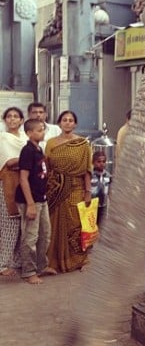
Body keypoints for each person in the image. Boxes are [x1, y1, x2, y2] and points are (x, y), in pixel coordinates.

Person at [45, 110, 92, 273]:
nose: (67, 123)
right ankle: (53, 262)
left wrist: (88, 191)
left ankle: (80, 260)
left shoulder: (82, 144)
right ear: (59, 123)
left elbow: (87, 169)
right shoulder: (51, 143)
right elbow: (47, 167)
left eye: (71, 120)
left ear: (75, 124)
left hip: (76, 188)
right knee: (54, 225)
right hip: (56, 190)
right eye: (64, 120)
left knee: (76, 225)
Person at [14, 118, 56, 284]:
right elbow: (23, 179)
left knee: (45, 234)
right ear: (29, 133)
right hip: (30, 200)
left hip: (41, 198)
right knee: (30, 237)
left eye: (43, 130)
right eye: (39, 130)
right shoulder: (27, 151)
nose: (42, 132)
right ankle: (28, 271)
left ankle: (41, 266)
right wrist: (30, 204)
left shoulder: (38, 150)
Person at [0, 107, 27, 277]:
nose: (12, 119)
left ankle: (16, 261)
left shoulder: (25, 138)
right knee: (8, 224)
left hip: (25, 183)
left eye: (16, 116)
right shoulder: (2, 138)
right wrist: (29, 160)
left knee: (21, 223)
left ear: (22, 120)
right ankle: (2, 263)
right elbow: (9, 162)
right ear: (4, 120)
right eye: (8, 117)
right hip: (7, 182)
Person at [90, 150, 111, 229]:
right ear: (93, 162)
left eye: (103, 161)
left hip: (103, 206)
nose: (101, 164)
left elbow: (109, 192)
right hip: (92, 207)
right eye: (98, 161)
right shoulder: (90, 176)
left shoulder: (108, 176)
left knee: (102, 228)